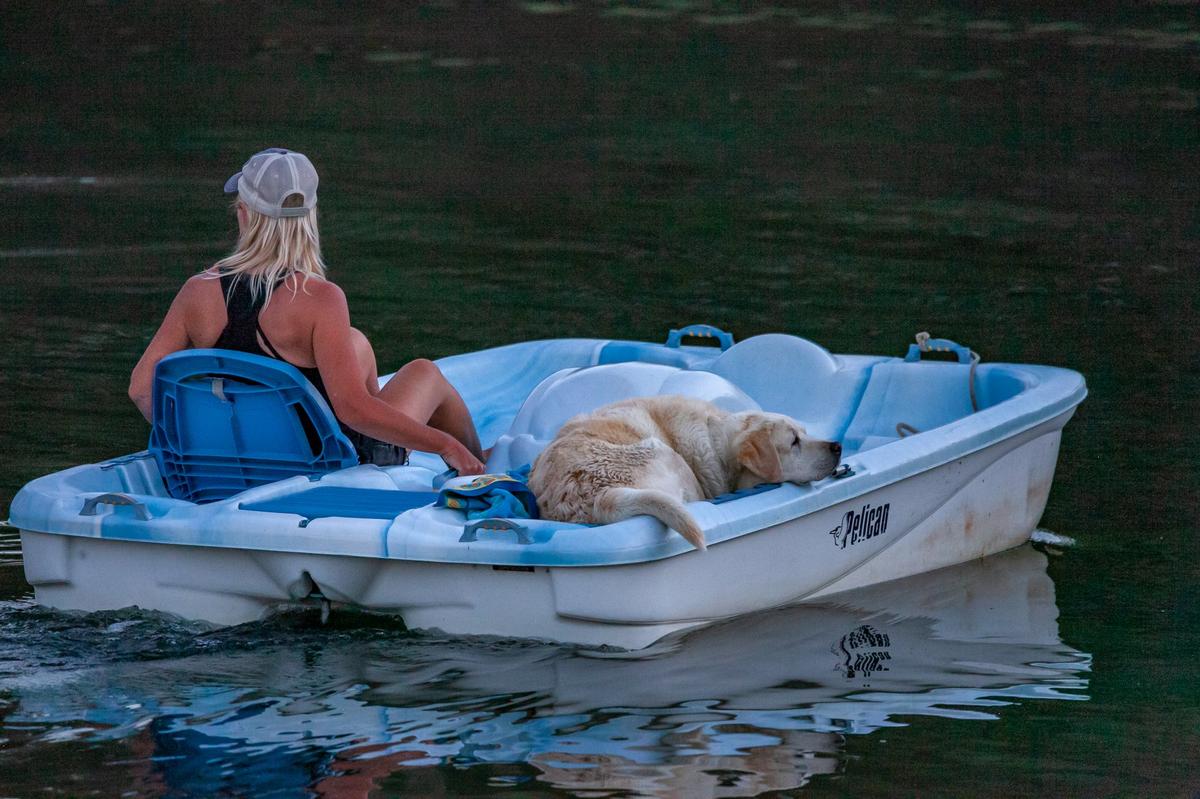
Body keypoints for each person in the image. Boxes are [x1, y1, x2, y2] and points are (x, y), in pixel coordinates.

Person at [128, 148, 487, 475]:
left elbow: (142, 389)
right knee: (425, 373)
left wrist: (200, 448)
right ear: (309, 219)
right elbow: (352, 409)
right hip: (328, 464)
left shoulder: (197, 292)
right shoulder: (320, 299)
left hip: (227, 462)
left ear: (244, 214)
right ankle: (477, 463)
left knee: (355, 344)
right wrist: (443, 444)